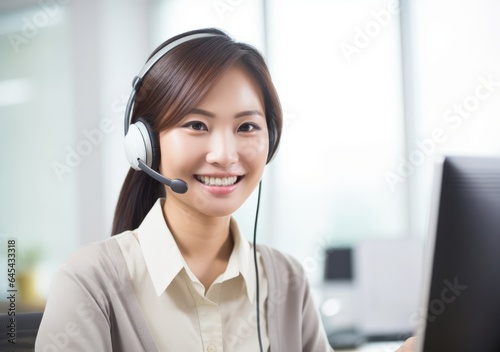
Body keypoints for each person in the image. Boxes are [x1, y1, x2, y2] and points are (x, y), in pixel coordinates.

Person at [35, 28, 334, 351]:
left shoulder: (288, 281)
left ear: (270, 141)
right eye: (196, 125)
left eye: (246, 127)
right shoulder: (89, 282)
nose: (224, 155)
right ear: (146, 144)